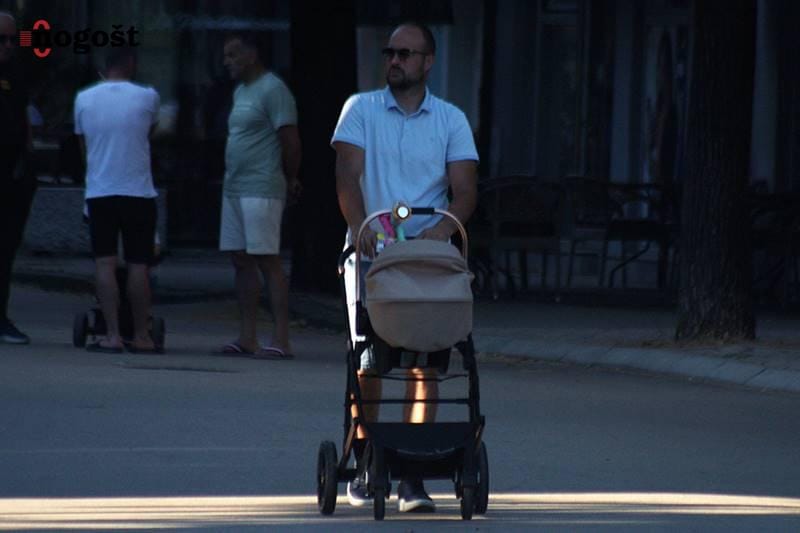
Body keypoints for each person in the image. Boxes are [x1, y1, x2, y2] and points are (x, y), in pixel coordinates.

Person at [332, 22, 478, 512]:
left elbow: (465, 191)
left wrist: (439, 232)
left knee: (425, 358)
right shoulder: (360, 110)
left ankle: (413, 472)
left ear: (428, 62)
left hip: (425, 255)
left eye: (405, 54)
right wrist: (361, 228)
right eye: (389, 52)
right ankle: (368, 456)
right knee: (369, 360)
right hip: (373, 253)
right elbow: (347, 176)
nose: (394, 60)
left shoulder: (451, 120)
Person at [218, 32, 301, 359]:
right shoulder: (241, 91)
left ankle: (281, 339)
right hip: (234, 187)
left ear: (252, 54)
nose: (227, 62)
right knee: (240, 259)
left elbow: (290, 139)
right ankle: (247, 337)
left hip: (262, 186)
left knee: (267, 259)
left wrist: (291, 177)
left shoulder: (273, 89)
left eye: (233, 54)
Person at [73, 48, 161, 354]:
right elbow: (149, 133)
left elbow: (84, 148)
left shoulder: (83, 99)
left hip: (101, 191)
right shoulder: (148, 96)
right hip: (138, 191)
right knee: (138, 264)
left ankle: (111, 334)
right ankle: (142, 335)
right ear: (131, 65)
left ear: (104, 67)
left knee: (105, 262)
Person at [0, 11, 35, 344]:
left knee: (6, 248)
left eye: (13, 39)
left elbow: (23, 118)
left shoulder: (16, 73)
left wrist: (27, 157)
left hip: (12, 174)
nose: (9, 45)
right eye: (2, 39)